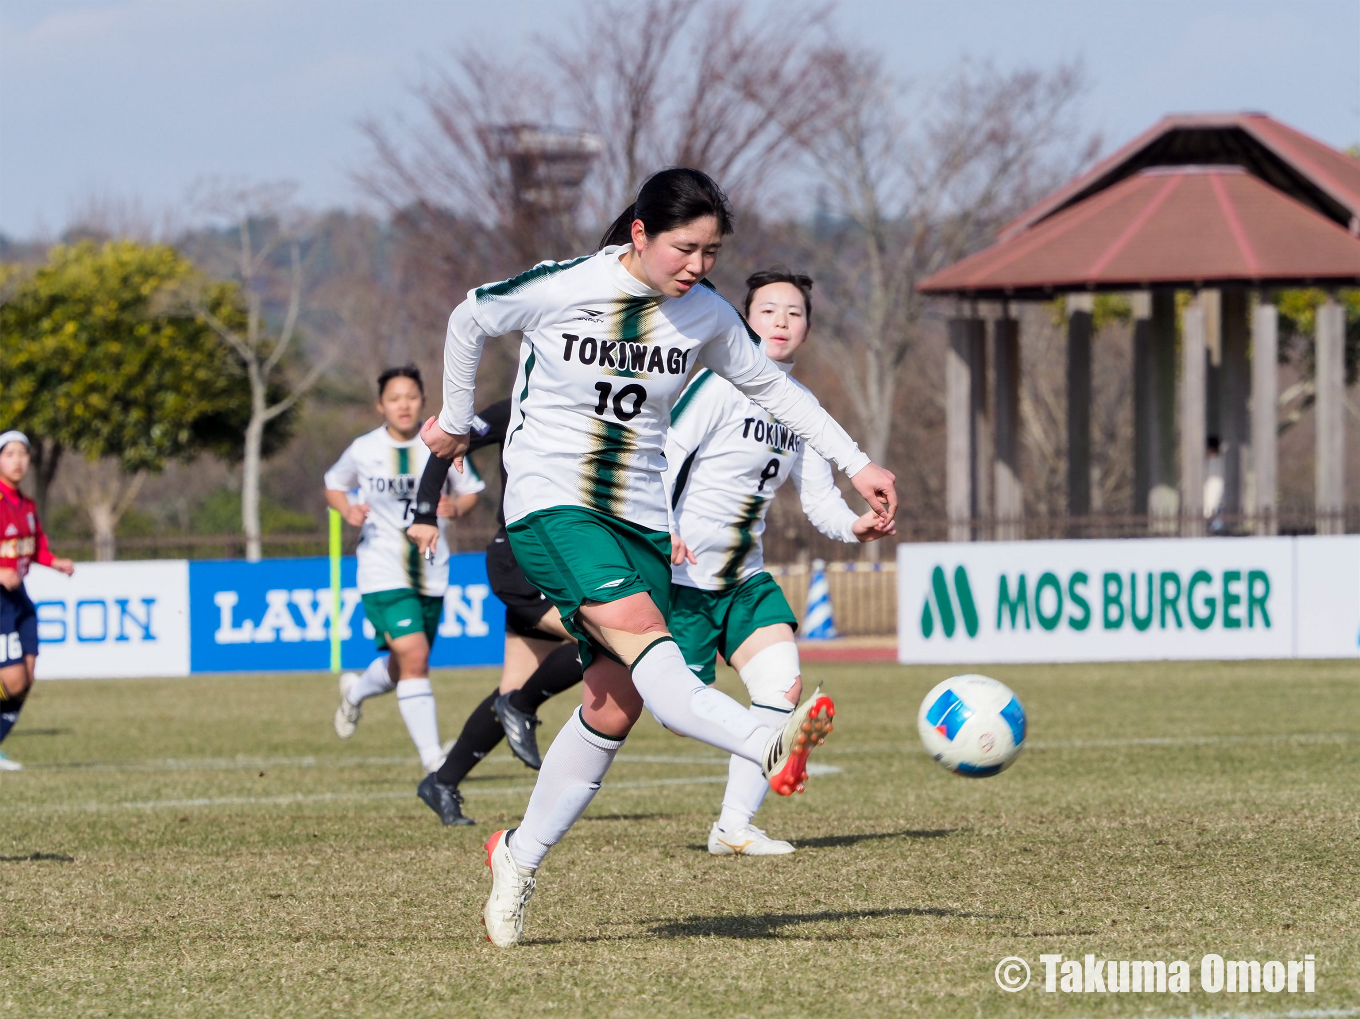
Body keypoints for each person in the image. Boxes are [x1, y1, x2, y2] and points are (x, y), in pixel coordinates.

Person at [414, 167, 897, 947]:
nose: (699, 266)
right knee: (655, 657)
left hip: (638, 523)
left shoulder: (703, 315)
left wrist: (857, 462)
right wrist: (457, 415)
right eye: (685, 248)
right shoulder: (567, 285)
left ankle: (517, 855)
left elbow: (779, 394)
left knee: (613, 703)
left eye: (711, 252)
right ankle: (766, 741)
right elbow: (471, 316)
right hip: (553, 506)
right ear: (639, 233)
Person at [665, 267, 896, 857]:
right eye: (768, 311)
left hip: (746, 579)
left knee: (782, 686)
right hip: (680, 577)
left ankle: (733, 827)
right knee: (674, 708)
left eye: (794, 313)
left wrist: (855, 525)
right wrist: (664, 527)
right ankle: (767, 751)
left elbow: (819, 500)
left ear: (808, 329)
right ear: (745, 320)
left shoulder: (803, 409)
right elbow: (662, 454)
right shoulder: (716, 384)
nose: (781, 322)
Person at [405, 398, 584, 826]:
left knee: (513, 685)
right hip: (521, 560)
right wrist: (425, 513)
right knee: (603, 639)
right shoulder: (521, 404)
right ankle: (520, 706)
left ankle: (442, 782)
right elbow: (444, 444)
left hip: (564, 563)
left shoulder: (599, 405)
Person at [324, 366, 484, 783]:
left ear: (422, 401)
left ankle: (355, 691)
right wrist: (347, 509)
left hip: (432, 570)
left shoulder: (440, 443)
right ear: (381, 405)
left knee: (405, 664)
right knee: (413, 657)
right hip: (381, 570)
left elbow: (470, 492)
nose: (404, 405)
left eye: (411, 397)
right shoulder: (363, 449)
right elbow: (333, 484)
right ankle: (435, 761)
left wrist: (455, 508)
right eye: (395, 398)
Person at [0, 431, 75, 772]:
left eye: (23, 454)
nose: (17, 460)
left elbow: (36, 547)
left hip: (20, 599)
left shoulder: (26, 505)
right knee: (12, 680)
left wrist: (54, 561)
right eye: (9, 453)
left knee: (27, 678)